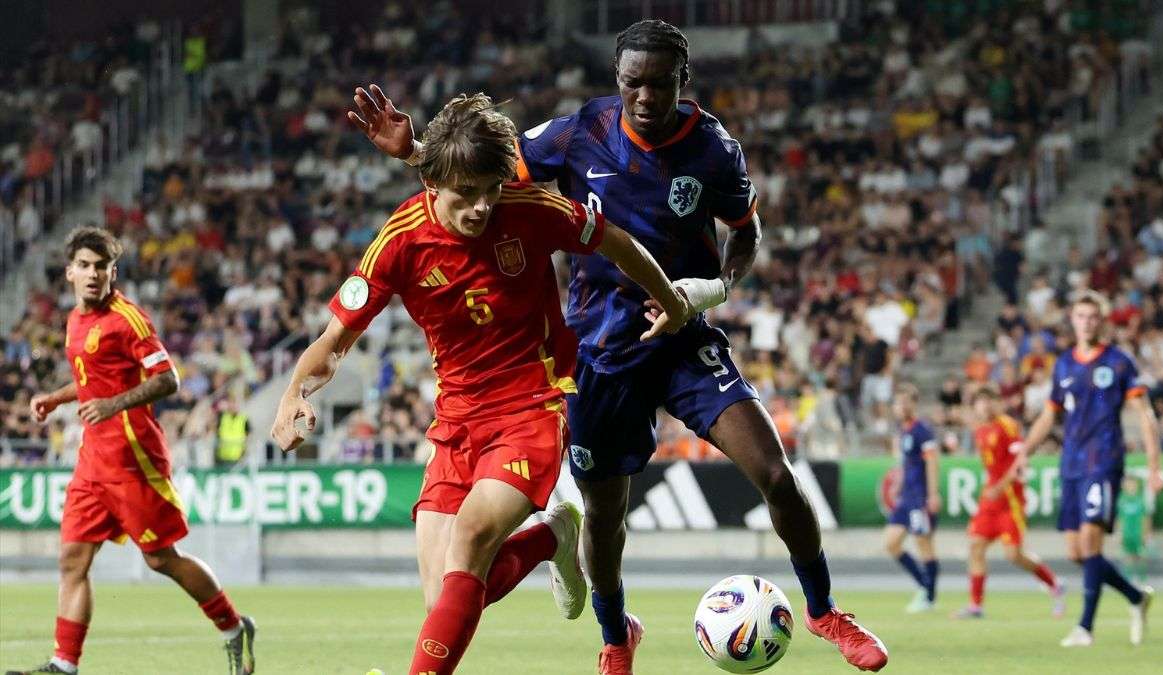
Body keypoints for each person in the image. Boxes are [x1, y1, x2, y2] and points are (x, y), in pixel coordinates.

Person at [348, 19, 889, 674]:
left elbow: (746, 232)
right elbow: (481, 178)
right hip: (600, 353)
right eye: (633, 83)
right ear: (618, 78)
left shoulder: (714, 148)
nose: (645, 96)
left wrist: (713, 288)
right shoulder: (581, 132)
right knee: (605, 514)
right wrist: (416, 153)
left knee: (775, 472)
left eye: (659, 84)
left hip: (683, 340)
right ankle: (615, 636)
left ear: (682, 81)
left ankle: (825, 610)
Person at [272, 93, 693, 675]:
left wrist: (671, 299)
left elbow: (616, 241)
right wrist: (294, 391)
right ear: (431, 183)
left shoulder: (529, 206)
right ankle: (553, 537)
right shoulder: (400, 241)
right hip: (456, 420)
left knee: (469, 543)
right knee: (444, 600)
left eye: (491, 191)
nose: (481, 207)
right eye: (466, 194)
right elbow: (334, 340)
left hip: (533, 404)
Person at [6, 227, 255, 675]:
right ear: (69, 272)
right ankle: (64, 664)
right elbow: (93, 379)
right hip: (92, 459)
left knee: (161, 559)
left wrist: (113, 404)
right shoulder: (75, 320)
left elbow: (168, 379)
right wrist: (56, 398)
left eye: (101, 266)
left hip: (133, 456)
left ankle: (234, 627)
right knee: (72, 560)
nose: (93, 274)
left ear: (113, 272)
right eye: (84, 266)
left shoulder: (128, 320)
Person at [1018, 291, 1163, 647]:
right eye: (1081, 316)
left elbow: (1144, 415)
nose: (1087, 322)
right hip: (1071, 462)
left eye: (1093, 316)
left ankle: (1085, 628)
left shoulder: (1118, 362)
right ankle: (1135, 596)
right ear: (1072, 320)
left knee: (1090, 541)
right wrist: (1024, 452)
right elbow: (1049, 414)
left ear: (1103, 321)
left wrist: (1154, 466)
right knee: (1076, 553)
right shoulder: (1064, 364)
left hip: (1104, 461)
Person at [953, 386, 1064, 619]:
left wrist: (1000, 487)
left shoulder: (1008, 425)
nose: (985, 406)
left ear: (997, 403)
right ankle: (976, 605)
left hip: (1010, 499)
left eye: (989, 400)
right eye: (980, 402)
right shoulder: (980, 430)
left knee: (1013, 555)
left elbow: (1020, 463)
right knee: (975, 546)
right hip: (990, 499)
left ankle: (1053, 583)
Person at [882, 383, 941, 614]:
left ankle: (929, 597)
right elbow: (907, 462)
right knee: (891, 543)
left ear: (914, 404)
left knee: (923, 543)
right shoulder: (903, 430)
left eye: (906, 402)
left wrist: (933, 494)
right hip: (906, 496)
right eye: (898, 402)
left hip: (919, 496)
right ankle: (924, 586)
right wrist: (899, 483)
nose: (901, 406)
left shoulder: (922, 430)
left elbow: (932, 462)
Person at [1116, 476, 1152, 583]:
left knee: (1141, 556)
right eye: (1128, 484)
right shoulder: (1121, 500)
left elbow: (1146, 518)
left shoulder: (1141, 500)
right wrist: (1119, 533)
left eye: (1133, 484)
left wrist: (1146, 534)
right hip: (1127, 534)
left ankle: (1143, 581)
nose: (1131, 486)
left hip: (1138, 533)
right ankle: (1128, 580)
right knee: (1128, 557)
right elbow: (1119, 518)